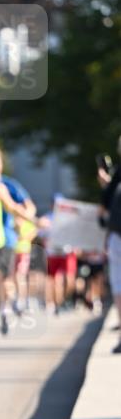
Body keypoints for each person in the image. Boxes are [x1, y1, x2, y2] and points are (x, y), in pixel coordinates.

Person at [0, 148, 36, 333]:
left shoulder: (8, 184)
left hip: (6, 239)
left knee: (4, 279)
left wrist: (22, 219)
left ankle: (4, 310)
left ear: (0, 165)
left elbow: (30, 208)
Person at [98, 138, 121, 349]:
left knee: (118, 283)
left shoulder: (117, 175)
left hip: (117, 235)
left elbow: (103, 210)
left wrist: (106, 185)